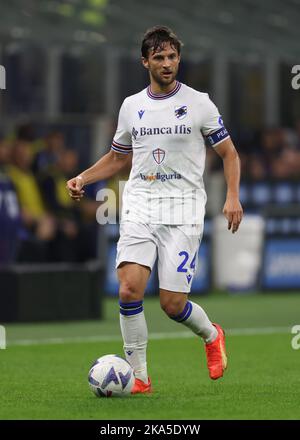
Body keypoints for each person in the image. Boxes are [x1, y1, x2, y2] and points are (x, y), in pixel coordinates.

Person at [67, 26, 243, 394]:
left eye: (172, 57)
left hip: (183, 212)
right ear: (145, 61)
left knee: (172, 303)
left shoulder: (199, 103)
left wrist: (232, 196)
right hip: (140, 207)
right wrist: (83, 178)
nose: (167, 64)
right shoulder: (132, 106)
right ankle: (140, 377)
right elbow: (118, 158)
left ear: (178, 59)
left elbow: (228, 153)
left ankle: (212, 335)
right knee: (129, 290)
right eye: (159, 57)